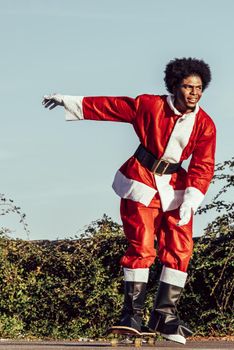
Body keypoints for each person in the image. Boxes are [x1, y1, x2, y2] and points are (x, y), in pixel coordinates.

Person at [42, 57, 216, 344]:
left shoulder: (205, 124)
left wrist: (193, 197)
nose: (194, 93)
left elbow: (204, 164)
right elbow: (111, 106)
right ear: (175, 86)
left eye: (199, 88)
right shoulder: (150, 105)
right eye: (188, 86)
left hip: (177, 187)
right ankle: (131, 314)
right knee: (143, 244)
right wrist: (68, 101)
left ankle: (165, 314)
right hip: (142, 181)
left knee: (181, 247)